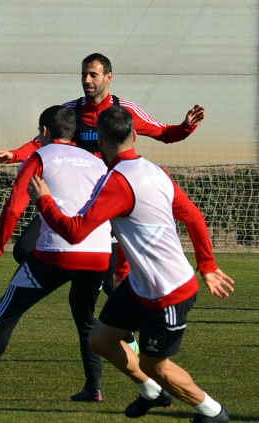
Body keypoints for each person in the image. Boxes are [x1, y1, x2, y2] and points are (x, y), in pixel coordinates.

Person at [27, 106, 234, 423]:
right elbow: (189, 216)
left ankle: (212, 412)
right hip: (140, 286)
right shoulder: (155, 171)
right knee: (100, 340)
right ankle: (151, 393)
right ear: (135, 135)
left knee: (156, 365)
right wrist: (204, 264)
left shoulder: (115, 183)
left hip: (168, 291)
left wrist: (44, 199)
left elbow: (75, 232)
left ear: (99, 140)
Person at [0, 106, 112, 403]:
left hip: (57, 253)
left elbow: (14, 208)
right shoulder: (96, 162)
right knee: (86, 317)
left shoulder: (40, 157)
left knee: (6, 313)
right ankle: (94, 386)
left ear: (45, 132)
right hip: (99, 254)